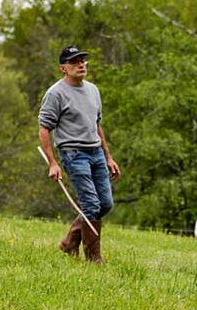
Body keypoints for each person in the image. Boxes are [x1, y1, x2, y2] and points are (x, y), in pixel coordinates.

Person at [40, 46, 120, 264]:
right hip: (73, 154)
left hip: (96, 152)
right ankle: (94, 258)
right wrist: (52, 163)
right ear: (63, 68)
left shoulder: (93, 90)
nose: (81, 64)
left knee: (105, 204)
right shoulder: (55, 94)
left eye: (83, 60)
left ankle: (68, 243)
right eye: (75, 61)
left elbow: (97, 125)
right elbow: (44, 129)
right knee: (91, 205)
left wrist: (108, 156)